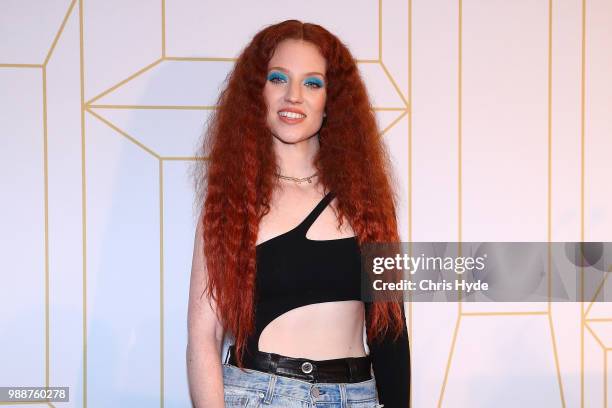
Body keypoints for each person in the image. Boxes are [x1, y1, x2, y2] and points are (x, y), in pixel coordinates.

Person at [187, 19, 410, 407]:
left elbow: (390, 334)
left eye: (312, 83)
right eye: (278, 78)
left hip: (356, 396)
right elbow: (204, 336)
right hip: (261, 394)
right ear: (257, 92)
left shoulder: (368, 203)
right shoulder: (232, 202)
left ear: (332, 100)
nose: (294, 95)